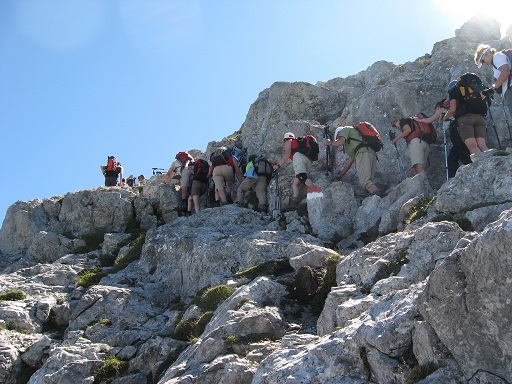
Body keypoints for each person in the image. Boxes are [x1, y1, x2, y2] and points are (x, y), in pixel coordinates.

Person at [412, 85, 471, 178]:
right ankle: (453, 177)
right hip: (462, 130)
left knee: (462, 152)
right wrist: (445, 140)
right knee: (452, 157)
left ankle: (473, 167)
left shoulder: (442, 109)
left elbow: (430, 119)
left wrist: (419, 120)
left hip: (456, 129)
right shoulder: (456, 108)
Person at [441, 73, 490, 157]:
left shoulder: (453, 90)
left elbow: (453, 109)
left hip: (465, 119)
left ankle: (483, 166)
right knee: (482, 145)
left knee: (472, 145)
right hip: (480, 117)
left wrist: (444, 118)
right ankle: (492, 162)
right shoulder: (474, 88)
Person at [325, 127, 381, 196]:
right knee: (368, 180)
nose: (338, 138)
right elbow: (350, 161)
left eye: (338, 137)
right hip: (371, 153)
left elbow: (340, 142)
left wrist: (330, 142)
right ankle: (376, 197)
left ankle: (379, 196)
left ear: (339, 132)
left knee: (365, 182)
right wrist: (340, 175)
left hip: (363, 153)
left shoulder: (345, 129)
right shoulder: (354, 139)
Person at [272, 132, 321, 207]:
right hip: (308, 160)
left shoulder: (289, 141)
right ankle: (295, 199)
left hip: (298, 158)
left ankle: (315, 192)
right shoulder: (298, 143)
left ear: (285, 138)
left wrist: (278, 165)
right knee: (295, 182)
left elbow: (288, 153)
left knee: (302, 177)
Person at [474, 44, 512, 121]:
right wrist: (492, 90)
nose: (484, 64)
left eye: (482, 61)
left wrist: (493, 88)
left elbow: (505, 72)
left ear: (487, 53)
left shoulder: (497, 56)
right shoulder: (496, 61)